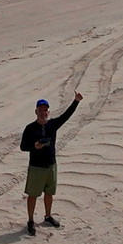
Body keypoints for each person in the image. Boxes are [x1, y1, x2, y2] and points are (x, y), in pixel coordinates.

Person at [20, 92, 83, 235]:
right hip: (36, 167)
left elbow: (66, 116)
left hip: (51, 165)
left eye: (45, 110)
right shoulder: (30, 128)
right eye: (40, 110)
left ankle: (48, 216)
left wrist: (76, 101)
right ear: (36, 111)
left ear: (48, 111)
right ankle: (30, 221)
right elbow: (23, 147)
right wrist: (35, 145)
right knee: (33, 195)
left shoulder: (52, 124)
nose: (43, 112)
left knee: (49, 193)